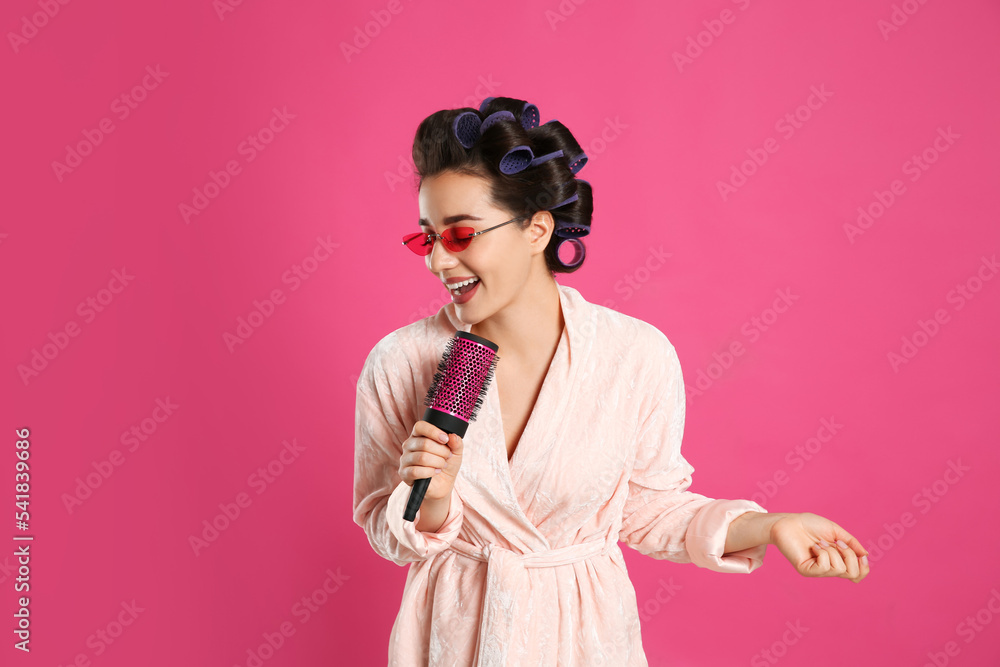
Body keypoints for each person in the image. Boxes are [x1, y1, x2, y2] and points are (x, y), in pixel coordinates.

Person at [353, 96, 870, 666]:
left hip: (585, 641)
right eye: (427, 238)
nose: (437, 263)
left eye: (460, 235)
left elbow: (649, 510)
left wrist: (771, 525)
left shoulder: (633, 356)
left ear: (537, 229)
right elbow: (384, 527)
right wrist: (434, 500)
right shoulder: (399, 362)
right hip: (453, 641)